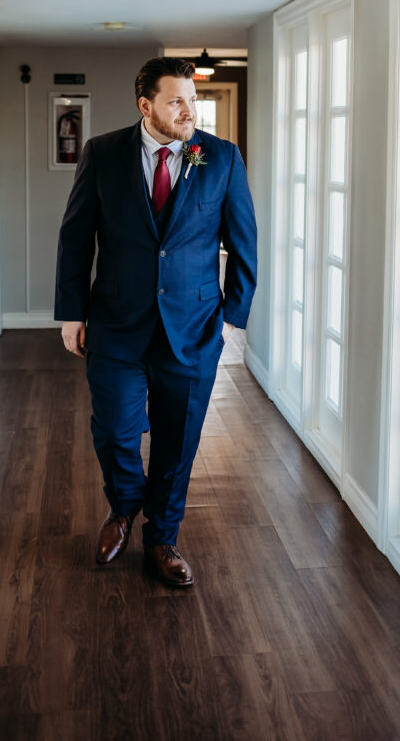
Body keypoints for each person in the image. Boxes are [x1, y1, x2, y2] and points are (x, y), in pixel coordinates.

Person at [55, 57, 257, 586]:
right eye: (176, 100)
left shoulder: (223, 158)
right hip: (116, 325)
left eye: (191, 98)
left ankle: (162, 537)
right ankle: (123, 508)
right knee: (115, 431)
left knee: (178, 441)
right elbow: (76, 238)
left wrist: (231, 320)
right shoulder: (102, 155)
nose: (190, 110)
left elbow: (244, 244)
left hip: (193, 330)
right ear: (146, 107)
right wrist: (72, 313)